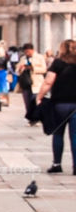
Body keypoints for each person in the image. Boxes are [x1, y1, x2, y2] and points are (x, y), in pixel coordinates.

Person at [35, 39, 76, 174]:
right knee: (75, 136)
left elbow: (48, 82)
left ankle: (57, 164)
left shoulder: (58, 63)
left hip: (60, 104)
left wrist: (39, 97)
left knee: (58, 134)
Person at [17, 42, 47, 122]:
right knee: (27, 102)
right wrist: (20, 68)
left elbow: (44, 69)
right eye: (25, 52)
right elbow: (17, 70)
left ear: (32, 50)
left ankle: (38, 117)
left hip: (36, 83)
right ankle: (31, 118)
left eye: (28, 51)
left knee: (35, 100)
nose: (27, 53)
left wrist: (32, 68)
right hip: (26, 83)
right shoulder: (23, 58)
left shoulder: (39, 57)